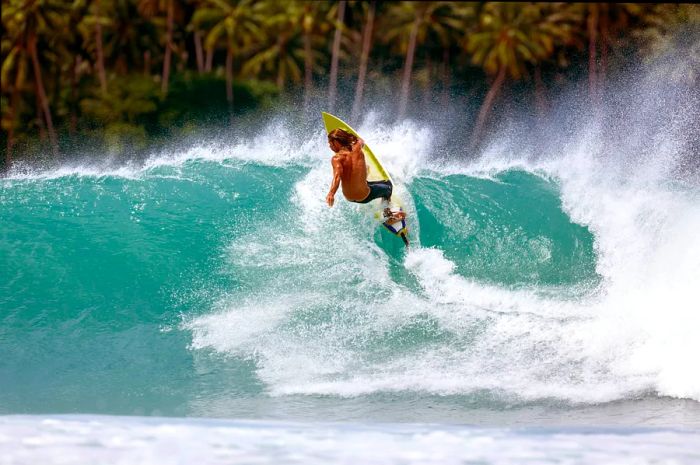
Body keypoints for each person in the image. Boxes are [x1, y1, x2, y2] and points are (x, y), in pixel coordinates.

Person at [325, 128, 406, 222]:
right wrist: (349, 137)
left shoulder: (336, 159)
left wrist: (331, 193)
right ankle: (388, 215)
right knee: (388, 186)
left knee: (365, 174)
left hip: (349, 196)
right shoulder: (357, 146)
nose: (330, 147)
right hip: (364, 196)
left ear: (336, 142)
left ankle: (365, 175)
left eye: (330, 144)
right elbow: (361, 140)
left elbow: (337, 176)